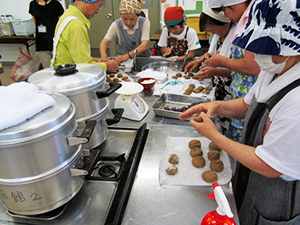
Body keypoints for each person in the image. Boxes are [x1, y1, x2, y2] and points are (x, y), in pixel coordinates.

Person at [180, 0, 300, 224]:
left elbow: (270, 165)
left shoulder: (297, 100)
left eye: (266, 48)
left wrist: (215, 136)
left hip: (277, 197)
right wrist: (215, 106)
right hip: (253, 180)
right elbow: (246, 106)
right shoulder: (274, 70)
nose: (257, 54)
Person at [200, 0, 260, 144]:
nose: (226, 14)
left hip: (247, 96)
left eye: (226, 9)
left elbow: (253, 68)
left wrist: (220, 62)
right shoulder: (244, 25)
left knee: (242, 142)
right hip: (238, 97)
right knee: (231, 140)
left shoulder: (255, 26)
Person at [184, 4, 235, 135]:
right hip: (217, 89)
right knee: (217, 123)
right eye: (209, 30)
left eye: (213, 29)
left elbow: (245, 73)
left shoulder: (237, 40)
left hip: (232, 95)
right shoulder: (216, 36)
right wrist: (198, 60)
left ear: (225, 23)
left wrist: (216, 71)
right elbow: (211, 53)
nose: (212, 33)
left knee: (229, 129)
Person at [51, 0, 118, 72]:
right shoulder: (75, 25)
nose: (97, 11)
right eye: (99, 5)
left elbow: (72, 56)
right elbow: (84, 66)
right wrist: (108, 66)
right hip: (68, 77)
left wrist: (95, 60)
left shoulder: (67, 16)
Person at [29, 0, 64, 68]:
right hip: (41, 39)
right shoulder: (33, 4)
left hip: (55, 38)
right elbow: (35, 20)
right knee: (47, 67)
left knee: (59, 66)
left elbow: (61, 22)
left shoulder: (55, 4)